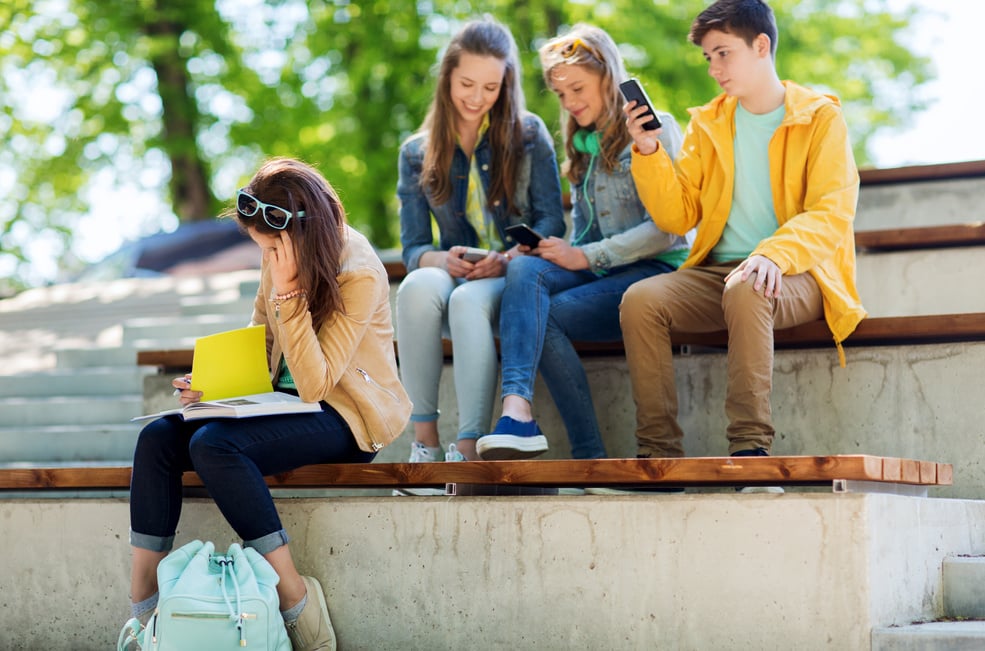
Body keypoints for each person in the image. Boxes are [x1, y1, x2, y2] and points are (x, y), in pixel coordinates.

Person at [124, 158, 411, 650]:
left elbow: (316, 383)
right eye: (260, 248)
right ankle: (145, 611)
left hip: (348, 415)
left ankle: (294, 599)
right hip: (281, 403)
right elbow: (260, 338)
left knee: (215, 447)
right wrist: (212, 385)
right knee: (158, 438)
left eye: (272, 247)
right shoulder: (278, 247)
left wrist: (289, 294)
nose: (267, 256)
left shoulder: (358, 271)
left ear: (302, 231)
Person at [620, 0, 865, 472]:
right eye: (707, 57)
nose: (714, 68)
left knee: (750, 284)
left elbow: (833, 211)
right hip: (719, 274)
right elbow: (679, 215)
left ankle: (750, 452)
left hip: (799, 275)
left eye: (722, 53)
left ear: (760, 46)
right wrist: (648, 152)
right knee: (640, 300)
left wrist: (773, 254)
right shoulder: (708, 124)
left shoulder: (820, 118)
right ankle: (658, 457)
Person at [475, 24, 690, 461]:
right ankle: (516, 410)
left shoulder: (656, 129)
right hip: (604, 268)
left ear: (608, 78)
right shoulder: (582, 145)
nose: (571, 102)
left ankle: (588, 457)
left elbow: (670, 229)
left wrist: (582, 255)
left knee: (545, 314)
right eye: (561, 94)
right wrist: (549, 249)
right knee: (523, 267)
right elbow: (590, 234)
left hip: (655, 270)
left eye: (578, 88)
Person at [395, 16, 566, 470]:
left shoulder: (528, 135)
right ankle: (425, 443)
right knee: (414, 287)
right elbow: (413, 248)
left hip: (513, 272)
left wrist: (508, 257)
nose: (476, 97)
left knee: (468, 301)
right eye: (467, 83)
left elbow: (552, 218)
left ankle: (468, 447)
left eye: (490, 88)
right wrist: (440, 258)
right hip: (455, 269)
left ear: (505, 85)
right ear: (447, 76)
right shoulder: (416, 152)